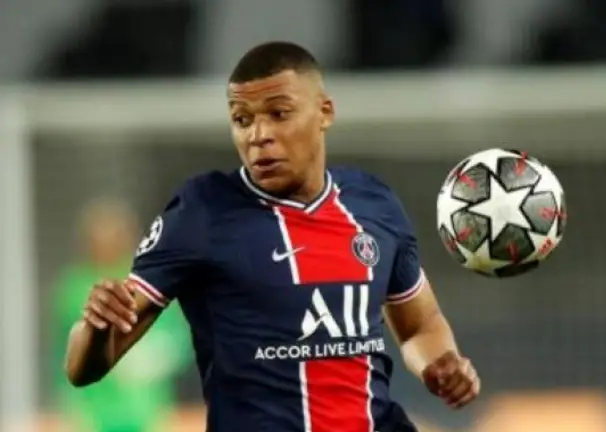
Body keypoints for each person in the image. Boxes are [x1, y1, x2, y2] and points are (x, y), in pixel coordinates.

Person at [63, 41, 480, 431]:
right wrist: (97, 328)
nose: (257, 135)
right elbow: (83, 369)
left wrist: (440, 363)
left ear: (325, 112)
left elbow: (420, 326)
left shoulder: (374, 203)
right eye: (242, 120)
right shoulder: (202, 211)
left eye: (279, 114)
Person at [54, 198, 192, 432]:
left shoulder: (147, 282)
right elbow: (61, 354)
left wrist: (152, 358)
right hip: (92, 417)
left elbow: (180, 341)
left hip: (146, 413)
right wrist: (68, 408)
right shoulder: (73, 289)